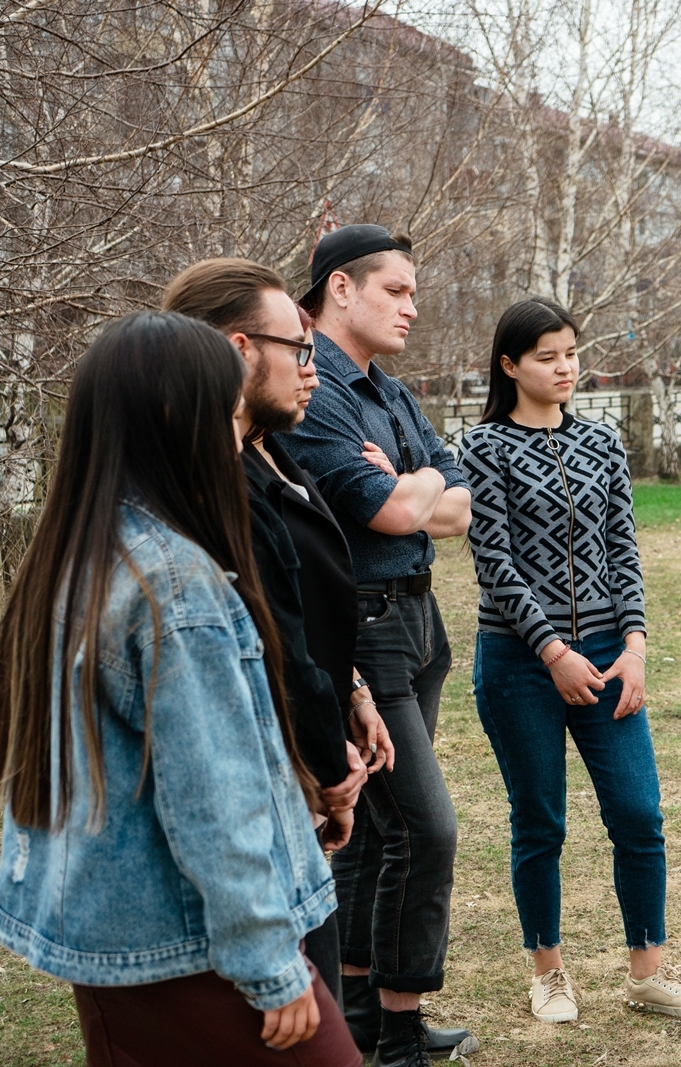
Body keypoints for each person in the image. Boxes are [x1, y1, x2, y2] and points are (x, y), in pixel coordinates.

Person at [0, 311, 359, 1066]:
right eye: (227, 412)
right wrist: (271, 964)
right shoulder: (174, 589)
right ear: (178, 424)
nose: (236, 433)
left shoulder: (73, 558)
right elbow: (215, 803)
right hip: (194, 952)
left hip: (113, 946)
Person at [460, 297, 681, 1024]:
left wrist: (634, 647)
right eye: (547, 355)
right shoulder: (482, 447)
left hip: (610, 654)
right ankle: (548, 971)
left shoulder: (603, 443)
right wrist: (553, 652)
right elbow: (495, 563)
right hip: (519, 661)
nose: (565, 366)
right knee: (540, 820)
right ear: (510, 365)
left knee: (639, 813)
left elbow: (624, 550)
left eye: (571, 352)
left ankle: (647, 974)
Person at [161, 257, 399, 1010]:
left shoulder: (269, 451)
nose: (313, 368)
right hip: (274, 779)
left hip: (309, 756)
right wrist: (328, 771)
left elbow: (310, 599)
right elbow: (272, 645)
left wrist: (353, 688)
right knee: (301, 995)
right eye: (298, 348)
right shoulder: (211, 485)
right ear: (236, 350)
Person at [281, 225, 474, 1066]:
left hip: (419, 622)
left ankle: (366, 1018)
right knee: (425, 830)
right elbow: (389, 512)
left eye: (413, 290)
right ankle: (395, 1035)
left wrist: (415, 478)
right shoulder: (315, 390)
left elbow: (458, 499)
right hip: (362, 628)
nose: (412, 305)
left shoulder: (386, 390)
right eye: (395, 290)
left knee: (375, 832)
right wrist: (415, 485)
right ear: (339, 290)